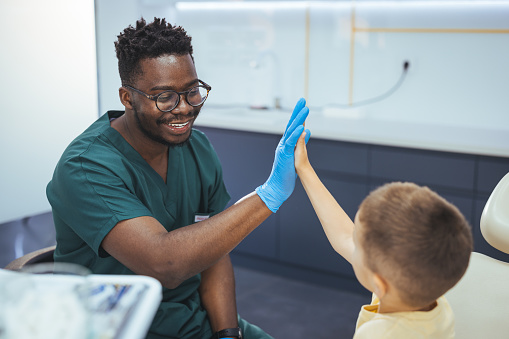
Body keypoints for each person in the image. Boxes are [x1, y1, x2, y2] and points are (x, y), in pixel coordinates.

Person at [46, 17, 310, 339]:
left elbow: (213, 250)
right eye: (164, 97)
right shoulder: (86, 167)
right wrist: (268, 195)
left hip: (191, 319)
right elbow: (165, 263)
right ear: (127, 98)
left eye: (192, 91)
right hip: (115, 327)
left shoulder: (197, 148)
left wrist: (227, 334)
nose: (184, 108)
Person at [294, 132, 473, 338]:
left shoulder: (379, 334)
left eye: (357, 243)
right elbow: (344, 236)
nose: (352, 243)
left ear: (379, 284)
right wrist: (304, 168)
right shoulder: (427, 294)